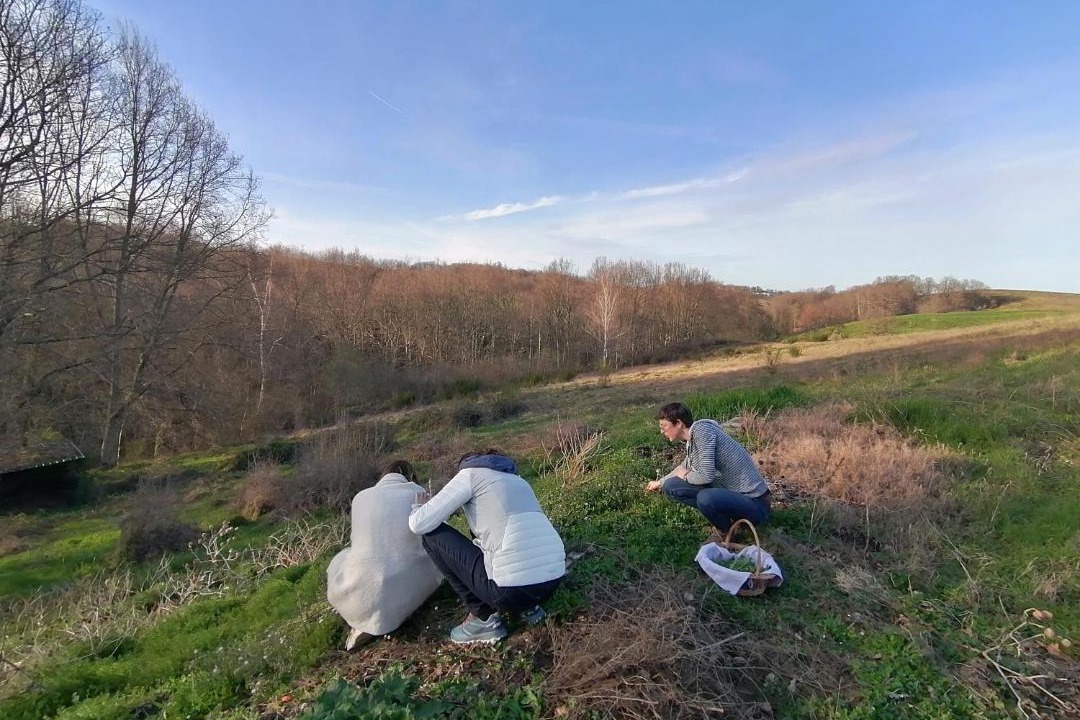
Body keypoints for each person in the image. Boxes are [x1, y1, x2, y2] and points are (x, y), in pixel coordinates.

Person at [409, 449, 565, 644]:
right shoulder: (518, 480)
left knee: (431, 536)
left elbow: (419, 524)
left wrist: (419, 507)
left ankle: (483, 618)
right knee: (501, 539)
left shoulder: (470, 474)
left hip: (509, 591)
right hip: (552, 582)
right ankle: (529, 608)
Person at [326, 460, 443, 650]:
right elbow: (429, 533)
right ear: (410, 476)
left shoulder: (360, 498)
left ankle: (362, 621)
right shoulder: (417, 492)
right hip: (404, 586)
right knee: (430, 556)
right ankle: (390, 610)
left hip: (356, 596)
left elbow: (357, 540)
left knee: (343, 557)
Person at [645, 402, 771, 535]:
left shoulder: (702, 432)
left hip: (755, 503)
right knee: (671, 485)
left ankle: (727, 532)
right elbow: (683, 467)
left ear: (678, 423)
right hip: (733, 496)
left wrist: (685, 475)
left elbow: (706, 476)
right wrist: (659, 482)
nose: (661, 431)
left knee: (705, 497)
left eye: (664, 426)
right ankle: (727, 521)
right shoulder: (693, 440)